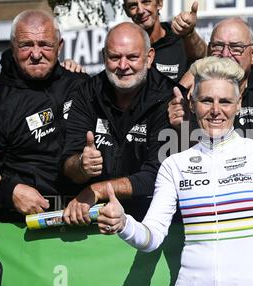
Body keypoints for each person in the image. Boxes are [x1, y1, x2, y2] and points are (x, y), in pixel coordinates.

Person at [97, 56, 253, 286]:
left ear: (238, 104)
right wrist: (124, 224)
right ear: (192, 103)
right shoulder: (174, 165)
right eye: (207, 100)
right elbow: (152, 237)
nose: (216, 110)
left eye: (225, 101)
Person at [61, 22, 175, 224]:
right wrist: (81, 165)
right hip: (94, 220)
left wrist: (97, 190)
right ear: (104, 56)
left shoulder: (169, 98)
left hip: (150, 222)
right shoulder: (86, 93)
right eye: (115, 57)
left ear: (149, 58)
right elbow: (68, 164)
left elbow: (159, 175)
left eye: (132, 57)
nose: (123, 66)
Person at [0, 10, 88, 214]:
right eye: (26, 45)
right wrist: (10, 191)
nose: (35, 54)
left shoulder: (81, 85)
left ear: (59, 46)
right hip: (25, 227)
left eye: (45, 44)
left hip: (84, 219)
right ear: (13, 47)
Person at [169, 17, 253, 155]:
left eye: (236, 48)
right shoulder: (195, 89)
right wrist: (183, 128)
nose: (225, 54)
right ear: (208, 50)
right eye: (218, 46)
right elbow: (186, 157)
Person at [123, 0, 206, 81]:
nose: (140, 10)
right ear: (126, 10)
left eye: (146, 2)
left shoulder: (180, 38)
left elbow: (206, 59)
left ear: (160, 3)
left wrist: (189, 33)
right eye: (133, 5)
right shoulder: (123, 48)